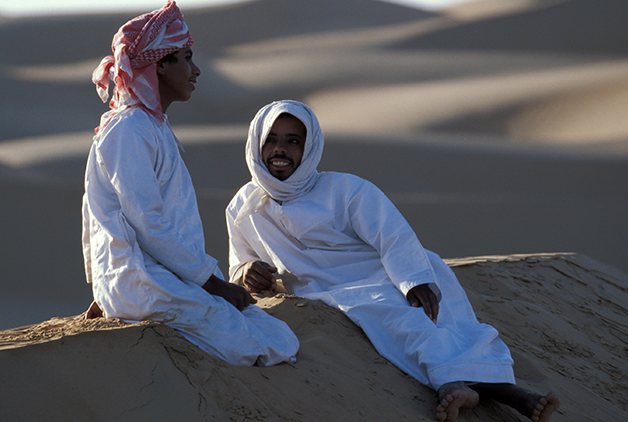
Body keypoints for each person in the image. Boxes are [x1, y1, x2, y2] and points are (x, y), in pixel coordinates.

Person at [226, 100, 561, 421]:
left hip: (395, 269)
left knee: (451, 322)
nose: (280, 149)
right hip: (336, 287)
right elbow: (240, 264)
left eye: (293, 141)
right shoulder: (243, 207)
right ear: (256, 144)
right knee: (401, 320)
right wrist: (248, 272)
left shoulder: (343, 188)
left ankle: (511, 393)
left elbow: (391, 233)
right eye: (271, 140)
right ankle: (451, 384)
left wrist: (413, 279)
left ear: (309, 148)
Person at [81, 2, 298, 367]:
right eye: (186, 58)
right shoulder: (129, 130)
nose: (195, 71)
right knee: (250, 346)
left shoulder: (152, 127)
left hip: (167, 274)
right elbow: (144, 222)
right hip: (142, 279)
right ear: (161, 64)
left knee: (274, 334)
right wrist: (210, 284)